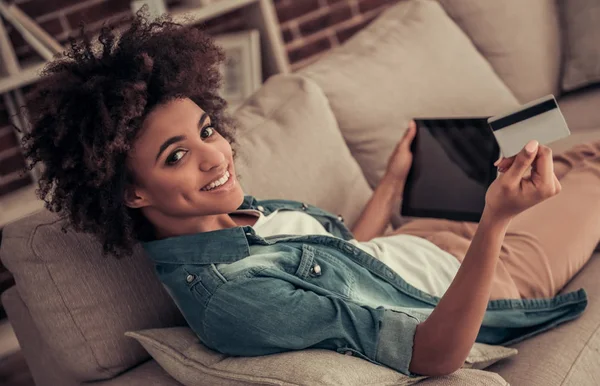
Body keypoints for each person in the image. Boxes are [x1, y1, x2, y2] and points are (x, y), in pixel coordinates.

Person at [19, 12, 599, 378]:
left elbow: (348, 253)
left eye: (207, 130)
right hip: (484, 276)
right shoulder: (233, 300)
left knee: (565, 146)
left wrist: (393, 184)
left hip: (418, 237)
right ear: (132, 194)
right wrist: (495, 222)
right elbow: (432, 355)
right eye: (177, 156)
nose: (216, 155)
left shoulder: (234, 217)